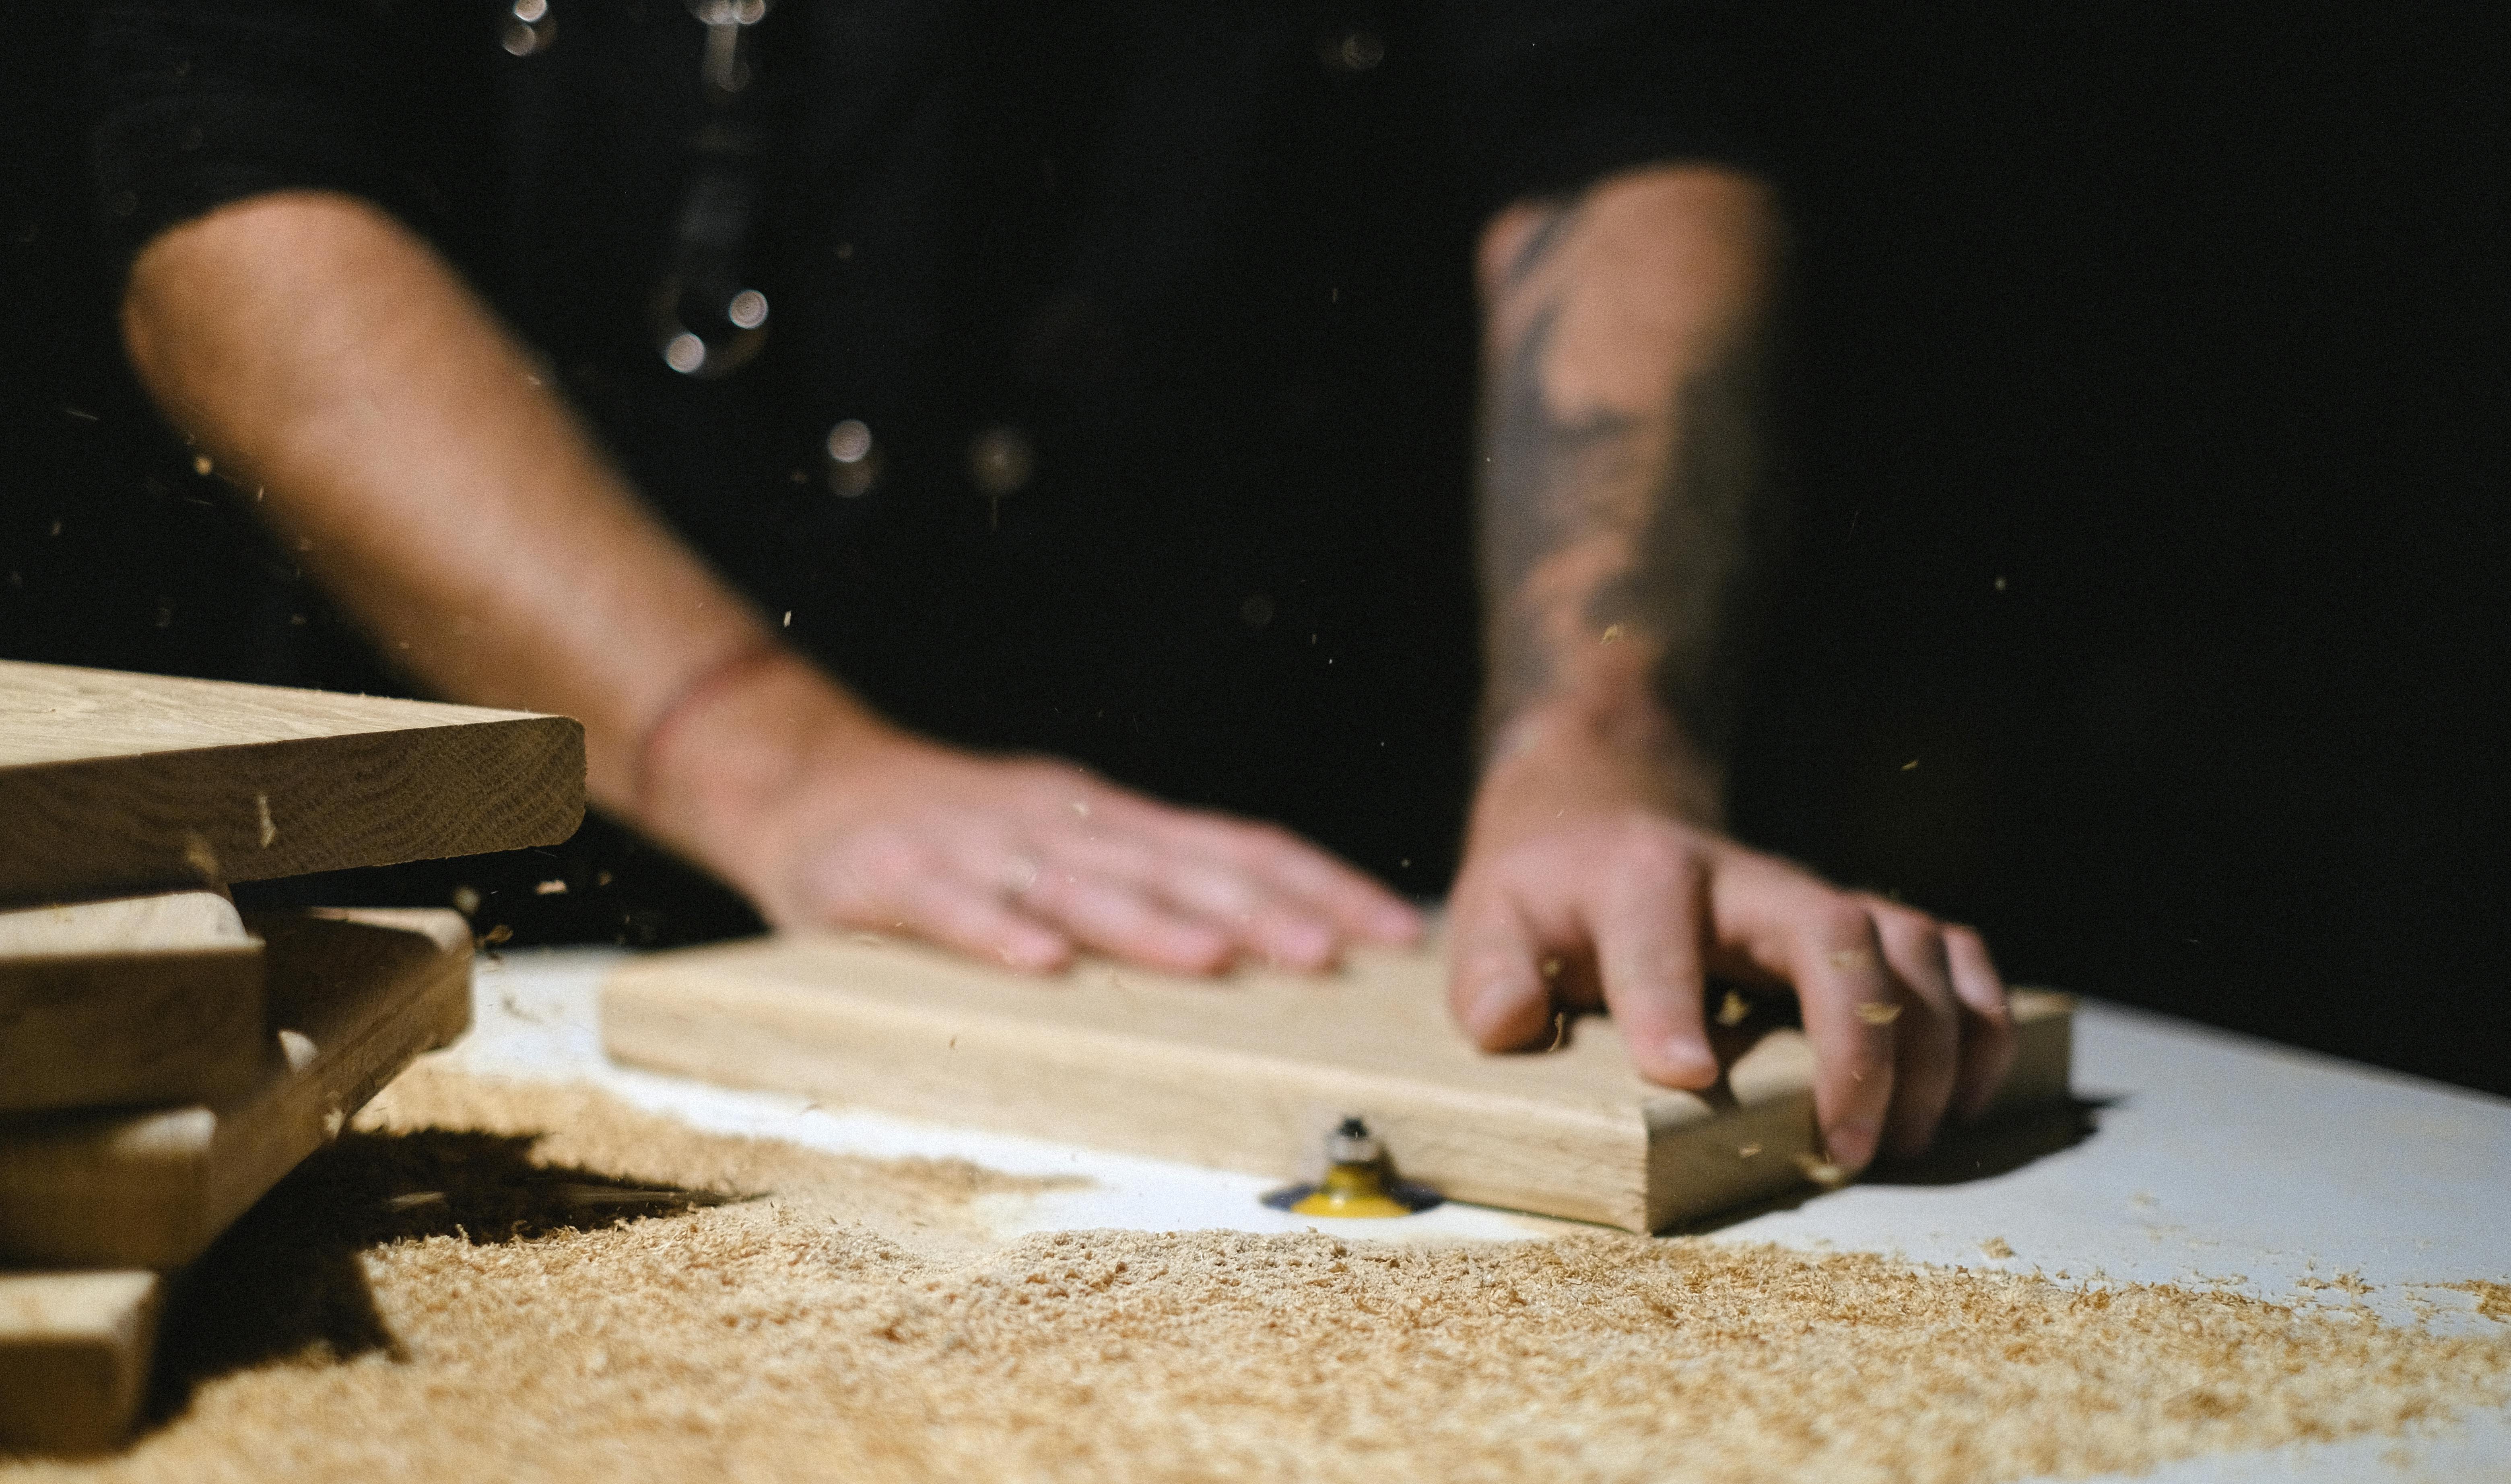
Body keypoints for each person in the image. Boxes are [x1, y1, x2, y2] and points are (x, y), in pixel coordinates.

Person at [90, 0, 2013, 1172]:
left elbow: (1619, 123)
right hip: (485, 948)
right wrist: (763, 754)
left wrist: (1602, 734)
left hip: (1268, 912)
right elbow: (228, 174)